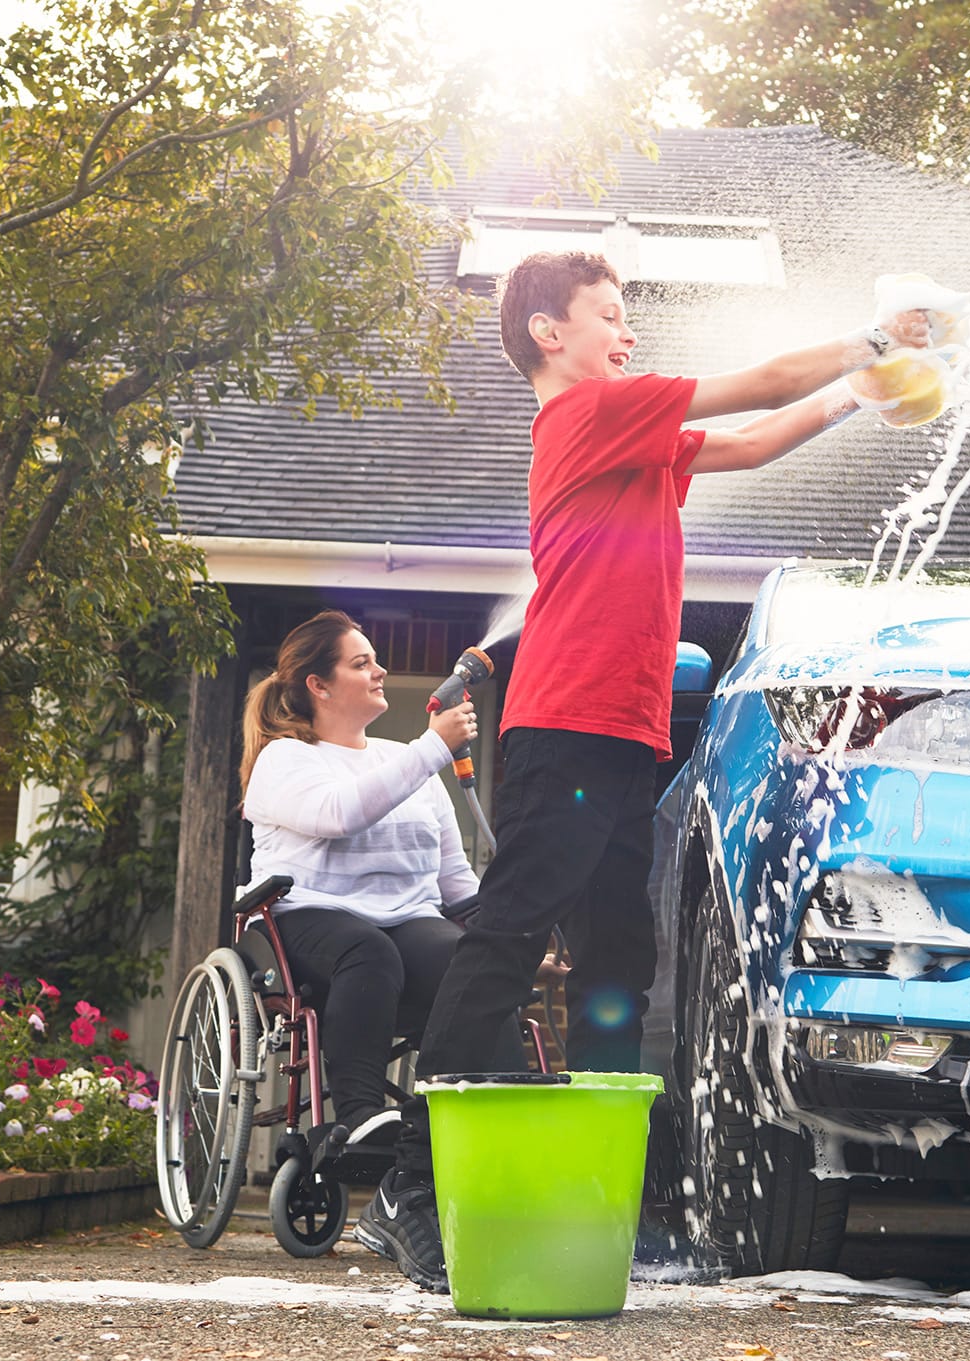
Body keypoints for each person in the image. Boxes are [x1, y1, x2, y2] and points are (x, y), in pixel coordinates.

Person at [355, 249, 933, 1292]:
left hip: (625, 733)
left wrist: (861, 390)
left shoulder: (630, 436)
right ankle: (409, 1182)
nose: (627, 333)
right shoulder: (586, 413)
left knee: (619, 958)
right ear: (549, 332)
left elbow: (756, 440)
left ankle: (597, 1195)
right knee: (508, 935)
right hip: (562, 726)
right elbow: (758, 385)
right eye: (609, 315)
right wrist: (876, 340)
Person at [239, 609, 481, 1159]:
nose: (380, 671)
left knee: (471, 964)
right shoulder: (285, 758)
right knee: (368, 952)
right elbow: (339, 813)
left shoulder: (404, 761)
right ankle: (360, 1119)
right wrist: (433, 748)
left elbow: (454, 878)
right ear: (319, 685)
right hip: (307, 916)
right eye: (361, 663)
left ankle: (487, 1118)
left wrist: (505, 946)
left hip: (408, 919)